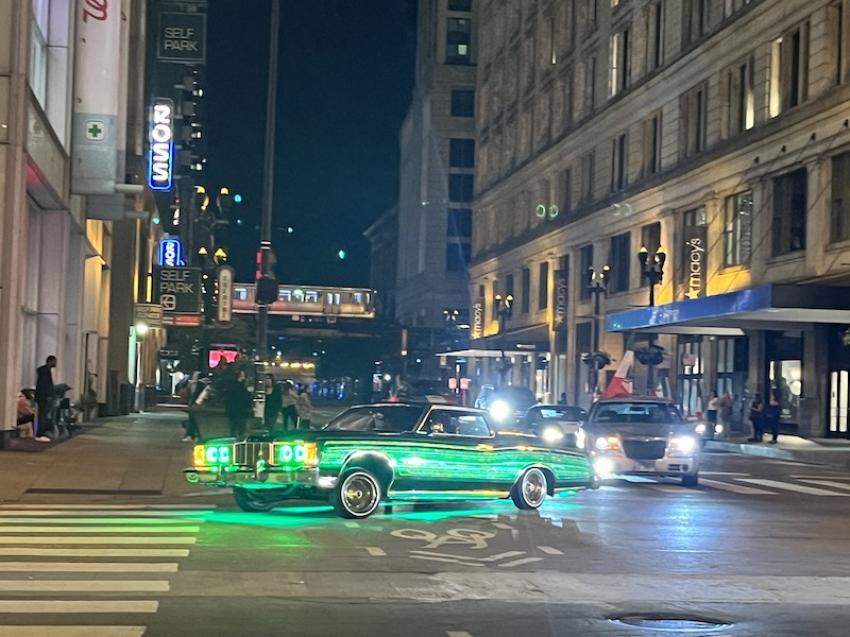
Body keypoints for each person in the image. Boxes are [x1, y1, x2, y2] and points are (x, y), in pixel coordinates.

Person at [223, 371, 252, 438]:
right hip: (241, 412)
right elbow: (246, 399)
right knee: (242, 431)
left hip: (232, 412)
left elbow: (227, 398)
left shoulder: (230, 386)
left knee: (233, 431)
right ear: (241, 376)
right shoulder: (242, 387)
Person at [34, 355, 56, 442]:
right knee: (42, 415)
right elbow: (44, 385)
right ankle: (40, 433)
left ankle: (41, 432)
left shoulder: (45, 371)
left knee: (42, 415)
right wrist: (49, 395)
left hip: (43, 396)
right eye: (54, 361)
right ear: (50, 361)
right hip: (44, 397)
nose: (55, 363)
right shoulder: (45, 372)